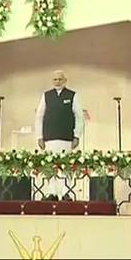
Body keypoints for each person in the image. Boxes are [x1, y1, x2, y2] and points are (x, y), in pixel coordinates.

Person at [34, 70, 84, 201]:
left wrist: (77, 136)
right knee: (50, 166)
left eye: (60, 79)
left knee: (66, 166)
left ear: (65, 80)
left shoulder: (72, 95)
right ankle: (52, 193)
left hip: (66, 137)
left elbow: (79, 117)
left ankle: (66, 192)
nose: (57, 82)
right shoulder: (46, 96)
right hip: (49, 137)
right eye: (55, 79)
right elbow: (39, 116)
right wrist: (39, 136)